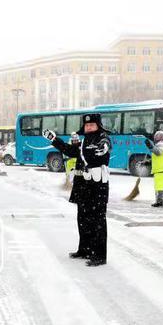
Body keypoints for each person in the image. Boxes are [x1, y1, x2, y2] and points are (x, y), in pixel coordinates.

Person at [44, 113, 112, 267]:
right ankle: (85, 249)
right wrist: (54, 140)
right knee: (83, 219)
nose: (89, 127)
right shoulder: (83, 142)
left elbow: (106, 142)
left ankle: (99, 255)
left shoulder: (102, 138)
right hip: (83, 186)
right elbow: (69, 150)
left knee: (97, 221)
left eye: (92, 125)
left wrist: (104, 145)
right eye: (87, 125)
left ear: (98, 126)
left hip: (97, 186)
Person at [145, 130, 163, 207]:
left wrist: (151, 147)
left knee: (158, 186)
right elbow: (159, 157)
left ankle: (159, 201)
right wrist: (148, 161)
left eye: (156, 136)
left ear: (159, 137)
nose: (155, 137)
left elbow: (158, 152)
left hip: (161, 169)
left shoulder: (160, 144)